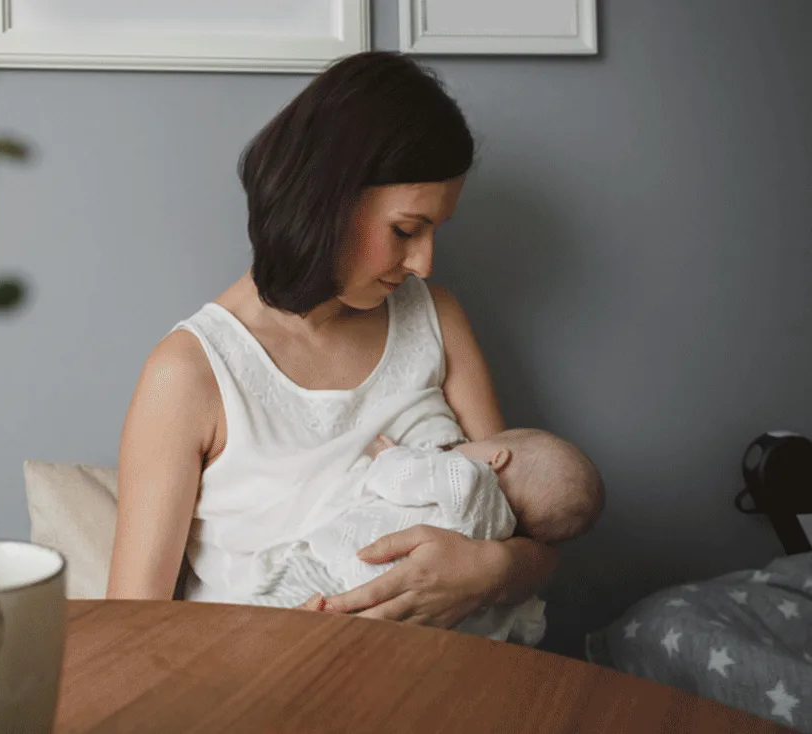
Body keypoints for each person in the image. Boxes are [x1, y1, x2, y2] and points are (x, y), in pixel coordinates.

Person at [106, 50, 605, 632]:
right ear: (327, 200)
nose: (423, 263)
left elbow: (533, 531)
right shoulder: (192, 373)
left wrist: (486, 570)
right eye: (405, 230)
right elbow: (132, 628)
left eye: (434, 233)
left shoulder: (436, 320)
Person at [246, 415, 603, 644]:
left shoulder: (469, 479)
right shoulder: (500, 536)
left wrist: (390, 458)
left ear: (497, 458)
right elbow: (520, 620)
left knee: (270, 605)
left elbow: (403, 479)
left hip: (347, 569)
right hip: (403, 625)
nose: (458, 448)